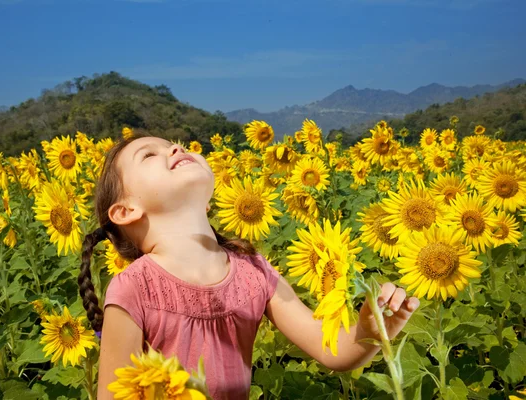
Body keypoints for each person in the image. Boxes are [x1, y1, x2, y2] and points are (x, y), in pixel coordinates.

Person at [78, 134, 420, 400]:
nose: (176, 149)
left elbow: (330, 349)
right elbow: (114, 393)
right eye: (150, 154)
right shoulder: (134, 287)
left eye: (176, 145)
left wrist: (370, 332)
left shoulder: (252, 270)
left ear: (209, 199)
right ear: (126, 212)